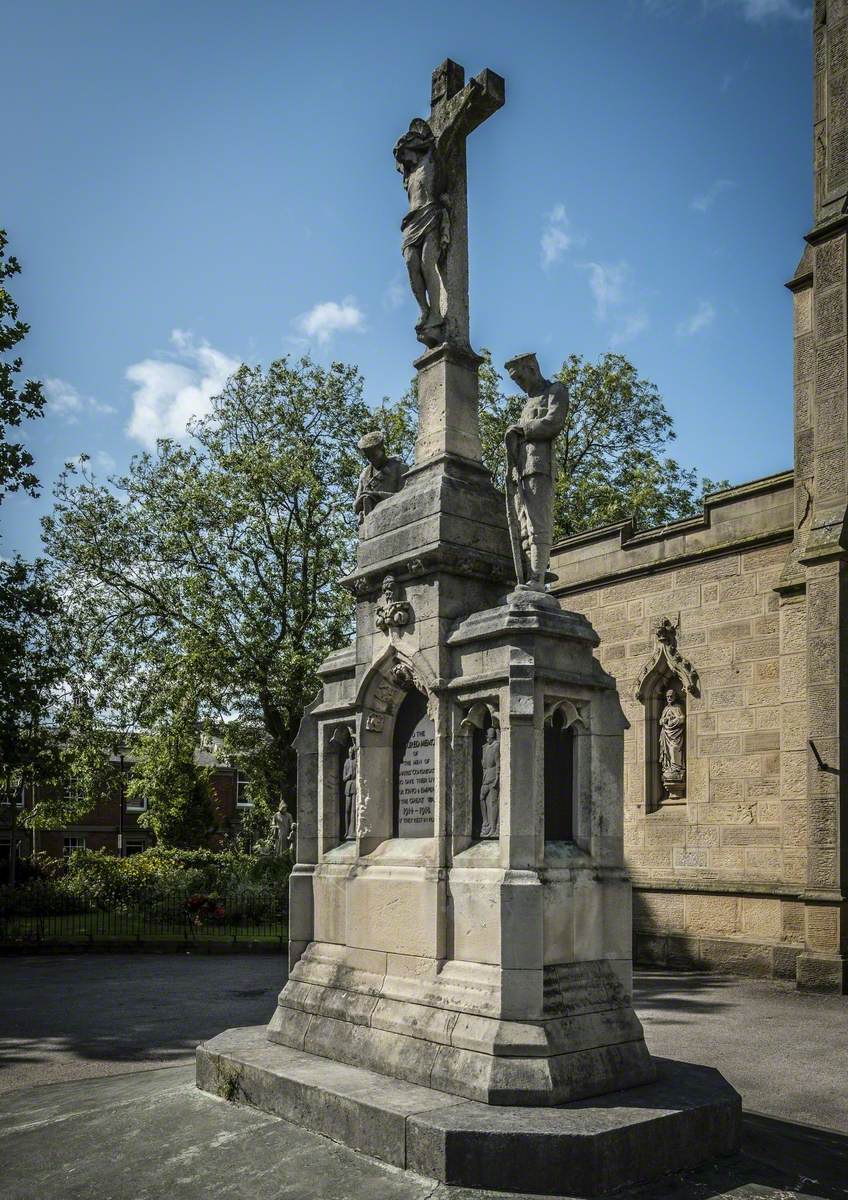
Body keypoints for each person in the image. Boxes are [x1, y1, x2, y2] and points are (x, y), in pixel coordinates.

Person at [503, 353, 569, 591]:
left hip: (539, 467)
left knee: (537, 522)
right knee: (523, 525)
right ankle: (532, 575)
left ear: (532, 368)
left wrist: (521, 429)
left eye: (520, 378)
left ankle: (538, 578)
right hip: (520, 470)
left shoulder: (555, 390)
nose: (519, 384)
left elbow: (553, 422)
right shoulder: (528, 401)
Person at [393, 118, 449, 346]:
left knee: (428, 264)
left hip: (431, 215)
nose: (402, 159)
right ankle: (424, 310)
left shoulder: (430, 160)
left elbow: (444, 136)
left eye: (404, 153)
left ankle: (436, 312)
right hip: (412, 222)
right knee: (410, 263)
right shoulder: (409, 175)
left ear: (413, 148)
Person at [354, 431, 406, 524]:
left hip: (394, 520)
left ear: (383, 450)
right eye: (368, 457)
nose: (371, 459)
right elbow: (355, 508)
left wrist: (377, 495)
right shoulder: (364, 475)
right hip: (369, 524)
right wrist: (361, 500)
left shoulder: (399, 467)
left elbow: (405, 497)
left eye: (374, 455)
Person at [658, 687, 686, 783]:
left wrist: (672, 721)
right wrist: (664, 720)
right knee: (667, 752)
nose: (669, 698)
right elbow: (660, 721)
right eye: (667, 696)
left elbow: (682, 718)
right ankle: (669, 768)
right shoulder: (665, 709)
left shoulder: (678, 707)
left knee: (674, 749)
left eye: (671, 696)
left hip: (675, 735)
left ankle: (677, 769)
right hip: (666, 734)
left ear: (675, 697)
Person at [479, 726, 500, 838]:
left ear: (492, 737)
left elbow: (497, 762)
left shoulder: (496, 746)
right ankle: (486, 822)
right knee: (481, 797)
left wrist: (497, 777)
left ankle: (493, 827)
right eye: (487, 737)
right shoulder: (486, 747)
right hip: (486, 776)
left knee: (493, 802)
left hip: (492, 777)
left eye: (489, 737)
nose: (487, 739)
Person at [343, 743, 357, 840]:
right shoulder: (346, 762)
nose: (350, 754)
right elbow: (344, 778)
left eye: (352, 752)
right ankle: (347, 831)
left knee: (354, 809)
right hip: (348, 786)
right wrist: (349, 775)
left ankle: (354, 830)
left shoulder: (356, 761)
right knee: (347, 809)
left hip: (355, 785)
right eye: (349, 752)